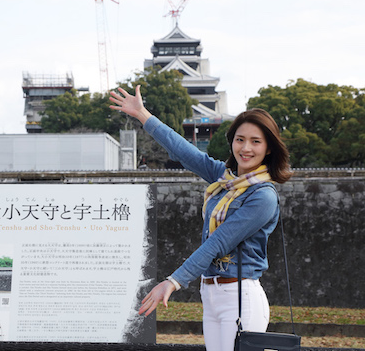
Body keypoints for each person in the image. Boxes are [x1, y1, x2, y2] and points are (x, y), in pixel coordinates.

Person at [109, 85, 292, 351]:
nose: (246, 148)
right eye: (240, 139)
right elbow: (184, 151)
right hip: (211, 293)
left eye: (256, 141)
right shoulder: (224, 178)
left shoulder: (262, 196)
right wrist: (142, 114)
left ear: (269, 148)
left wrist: (173, 281)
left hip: (240, 297)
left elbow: (218, 243)